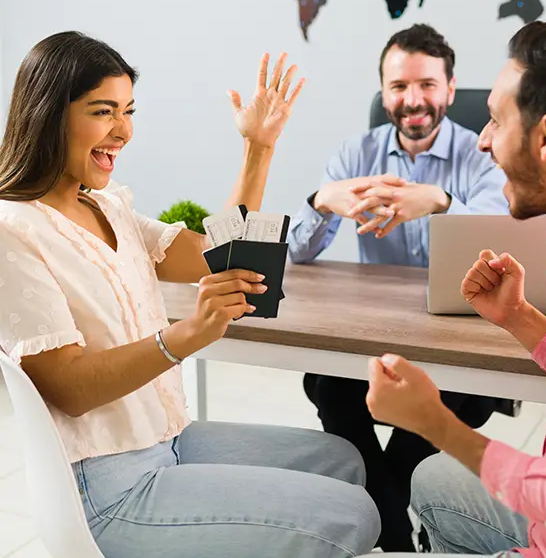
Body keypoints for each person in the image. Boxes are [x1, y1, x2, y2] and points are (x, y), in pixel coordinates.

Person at [0, 32, 380, 558]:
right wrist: (183, 337)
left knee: (343, 458)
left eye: (128, 110)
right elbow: (69, 387)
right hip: (109, 488)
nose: (124, 131)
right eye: (103, 111)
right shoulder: (12, 230)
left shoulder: (106, 206)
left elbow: (216, 253)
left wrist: (258, 147)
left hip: (169, 440)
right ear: (48, 114)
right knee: (351, 515)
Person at [365, 17, 546, 557]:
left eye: (496, 121)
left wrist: (437, 423)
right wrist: (519, 318)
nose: (483, 141)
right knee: (432, 479)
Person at [288, 23, 509, 551]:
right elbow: (296, 255)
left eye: (427, 85)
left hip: (459, 342)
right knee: (327, 384)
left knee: (442, 409)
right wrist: (322, 200)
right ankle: (399, 537)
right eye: (399, 86)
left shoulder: (484, 152)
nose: (413, 100)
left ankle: (380, 527)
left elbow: (502, 237)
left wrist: (440, 201)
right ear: (382, 93)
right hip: (381, 335)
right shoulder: (355, 154)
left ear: (450, 91)